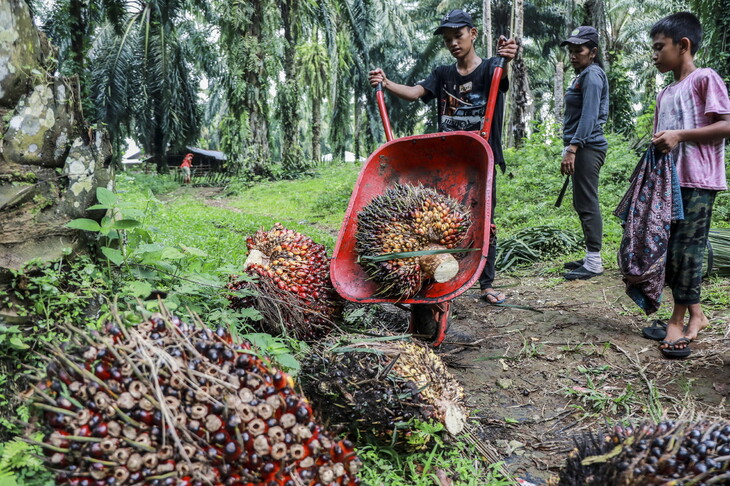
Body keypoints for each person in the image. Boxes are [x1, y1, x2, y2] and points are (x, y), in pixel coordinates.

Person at [368, 9, 517, 305]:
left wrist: (507, 60)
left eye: (458, 36)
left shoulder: (490, 69)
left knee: (483, 220)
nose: (453, 43)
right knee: (439, 219)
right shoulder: (442, 74)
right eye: (447, 39)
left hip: (479, 160)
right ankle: (439, 273)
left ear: (473, 34)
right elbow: (414, 92)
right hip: (447, 163)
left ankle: (485, 284)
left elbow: (503, 80)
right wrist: (385, 83)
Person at [648, 12, 730, 357]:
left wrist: (680, 135)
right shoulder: (665, 93)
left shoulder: (705, 79)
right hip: (670, 184)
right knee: (670, 251)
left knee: (687, 252)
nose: (654, 55)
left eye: (659, 48)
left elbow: (726, 124)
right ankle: (696, 315)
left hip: (698, 182)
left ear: (683, 46)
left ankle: (676, 321)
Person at [559, 26, 609, 280]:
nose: (573, 55)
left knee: (587, 202)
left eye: (578, 50)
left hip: (588, 147)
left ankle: (594, 262)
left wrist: (573, 147)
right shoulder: (583, 75)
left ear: (593, 52)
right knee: (581, 201)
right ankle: (590, 255)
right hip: (582, 147)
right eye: (571, 50)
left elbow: (589, 116)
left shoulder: (592, 75)